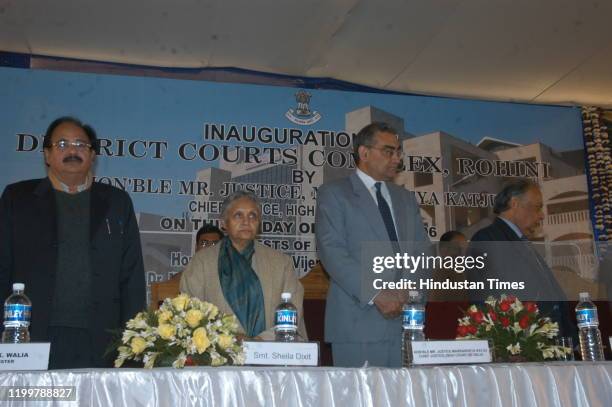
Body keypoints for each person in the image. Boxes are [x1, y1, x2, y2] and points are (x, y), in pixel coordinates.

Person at [0, 116, 146, 369]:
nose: (72, 150)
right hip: (30, 335)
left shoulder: (117, 202)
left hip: (101, 338)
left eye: (81, 145)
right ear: (47, 154)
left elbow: (131, 278)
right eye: (63, 144)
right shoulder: (18, 198)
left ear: (92, 156)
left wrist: (134, 344)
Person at [315, 122, 429, 367]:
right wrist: (376, 293)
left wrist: (407, 293)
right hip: (358, 323)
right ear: (364, 153)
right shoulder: (334, 194)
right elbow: (332, 251)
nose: (396, 158)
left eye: (399, 152)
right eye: (388, 151)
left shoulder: (406, 198)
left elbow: (421, 252)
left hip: (407, 323)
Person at [180, 190, 307, 340]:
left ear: (259, 223)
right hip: (219, 353)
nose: (246, 222)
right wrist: (229, 340)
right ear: (223, 223)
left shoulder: (280, 263)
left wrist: (260, 341)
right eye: (238, 215)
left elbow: (293, 310)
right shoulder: (201, 262)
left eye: (252, 216)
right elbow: (190, 314)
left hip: (273, 350)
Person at [470, 179, 573, 336]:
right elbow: (489, 300)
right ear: (515, 203)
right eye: (537, 207)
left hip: (551, 343)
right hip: (522, 348)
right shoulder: (488, 239)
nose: (542, 215)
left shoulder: (522, 242)